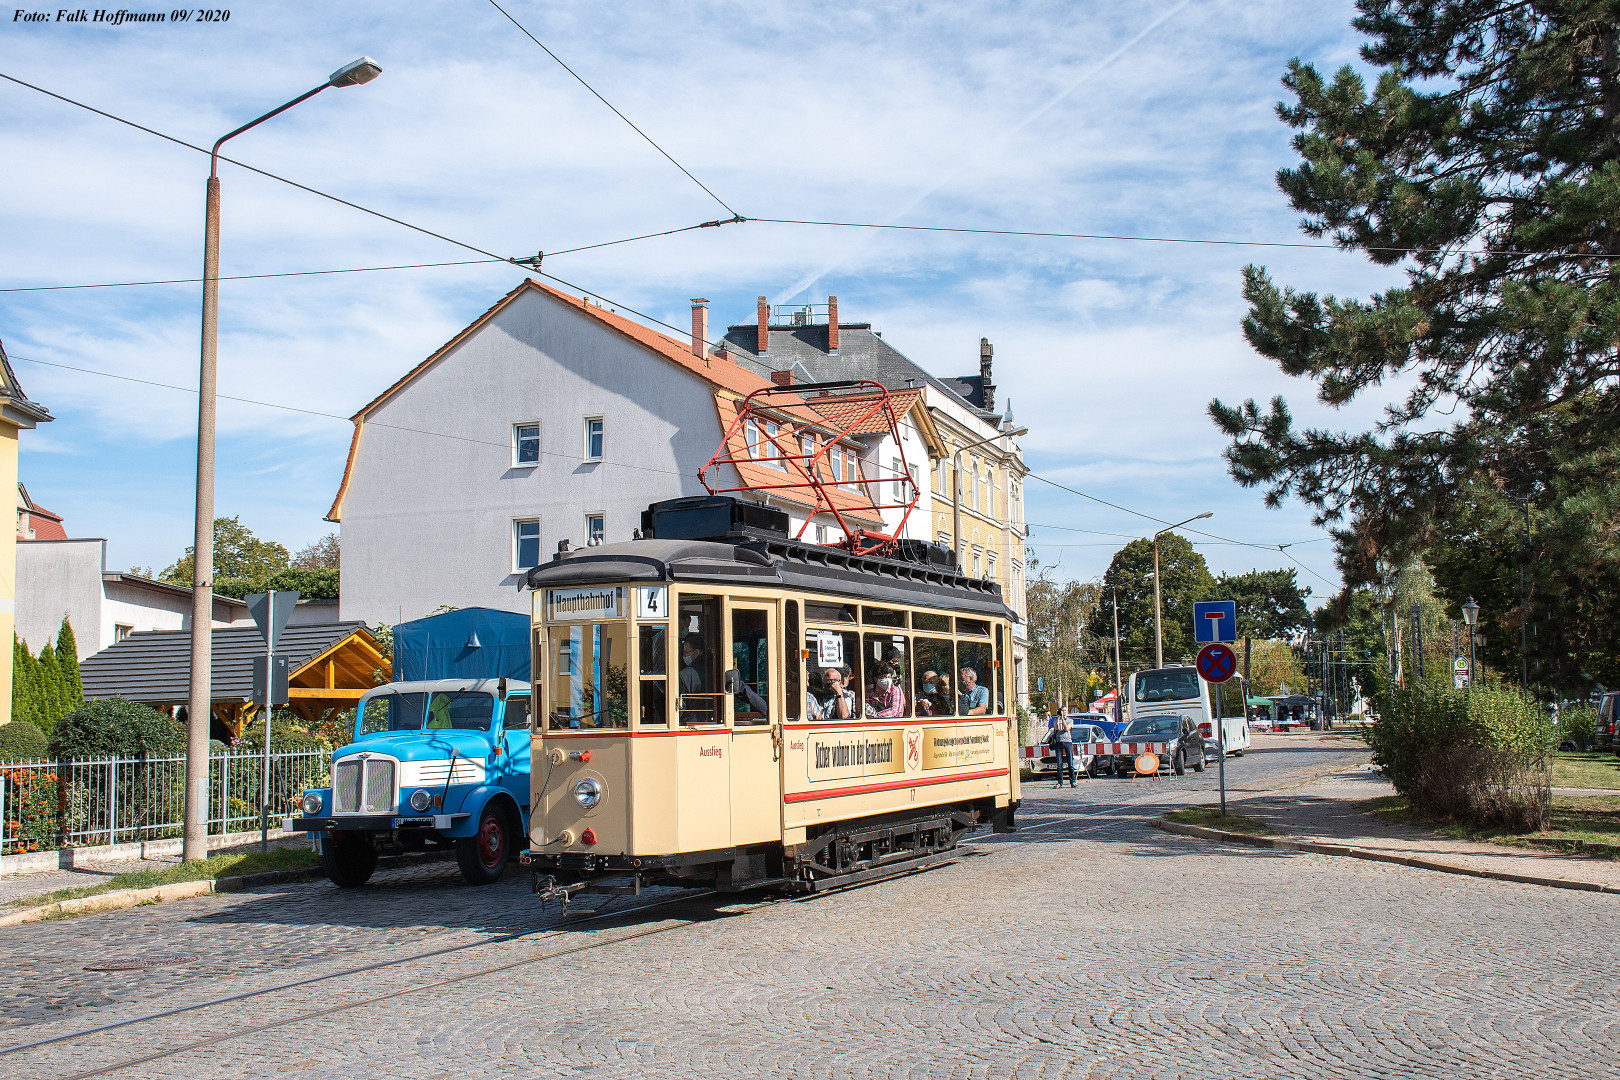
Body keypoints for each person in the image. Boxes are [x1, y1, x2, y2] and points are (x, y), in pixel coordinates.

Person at [1049, 712, 1076, 787]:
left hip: (1068, 742)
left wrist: (1063, 719)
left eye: (1064, 711)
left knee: (1070, 763)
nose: (1063, 712)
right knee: (1059, 764)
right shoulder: (1057, 720)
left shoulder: (1070, 720)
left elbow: (1066, 728)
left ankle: (1072, 781)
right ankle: (1060, 782)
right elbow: (1056, 728)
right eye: (1061, 711)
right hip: (1059, 742)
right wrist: (1058, 719)